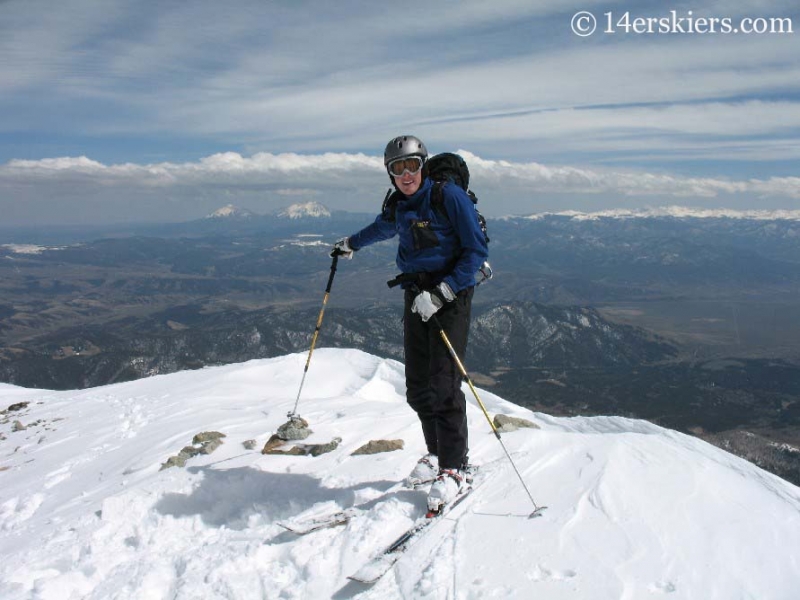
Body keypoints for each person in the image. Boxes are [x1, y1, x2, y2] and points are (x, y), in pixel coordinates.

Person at [330, 135, 489, 512]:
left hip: (450, 295)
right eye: (397, 168)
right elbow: (383, 227)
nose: (405, 174)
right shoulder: (399, 204)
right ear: (389, 173)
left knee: (444, 382)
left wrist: (442, 293)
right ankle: (436, 454)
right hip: (416, 294)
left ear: (424, 165)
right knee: (418, 386)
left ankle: (455, 467)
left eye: (412, 165)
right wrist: (351, 243)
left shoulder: (448, 197)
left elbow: (476, 251)